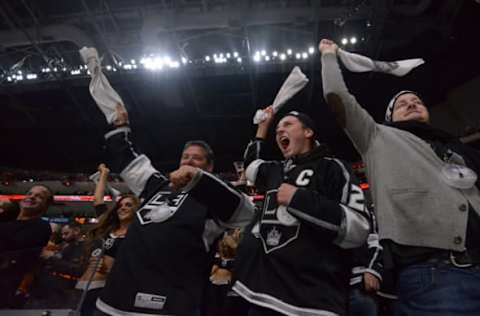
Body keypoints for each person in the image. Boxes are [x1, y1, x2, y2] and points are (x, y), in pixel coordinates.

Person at [319, 38, 480, 315]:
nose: (412, 103)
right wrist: (329, 57)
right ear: (388, 117)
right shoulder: (377, 137)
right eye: (402, 103)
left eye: (417, 101)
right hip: (437, 275)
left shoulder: (455, 147)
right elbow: (336, 96)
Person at [93, 105, 254, 316]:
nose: (188, 160)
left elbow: (247, 212)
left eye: (196, 158)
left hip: (172, 305)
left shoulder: (213, 196)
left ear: (210, 167)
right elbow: (128, 162)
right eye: (185, 156)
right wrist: (121, 126)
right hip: (115, 300)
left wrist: (198, 179)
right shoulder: (158, 185)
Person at [232, 106, 370, 316]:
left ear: (308, 132)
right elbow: (251, 166)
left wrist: (298, 199)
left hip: (311, 301)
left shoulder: (333, 167)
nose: (279, 131)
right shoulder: (275, 170)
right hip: (260, 295)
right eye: (277, 129)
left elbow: (358, 228)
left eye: (287, 125)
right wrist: (263, 127)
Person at [76, 164, 140, 316]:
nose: (122, 208)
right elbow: (98, 201)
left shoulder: (137, 234)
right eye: (120, 205)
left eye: (128, 205)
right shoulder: (108, 228)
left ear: (136, 210)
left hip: (107, 289)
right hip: (82, 286)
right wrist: (104, 174)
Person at [0, 185, 53, 308]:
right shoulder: (6, 221)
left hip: (7, 291)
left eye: (39, 196)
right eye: (29, 193)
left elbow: (23, 258)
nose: (32, 197)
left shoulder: (41, 227)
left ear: (46, 205)